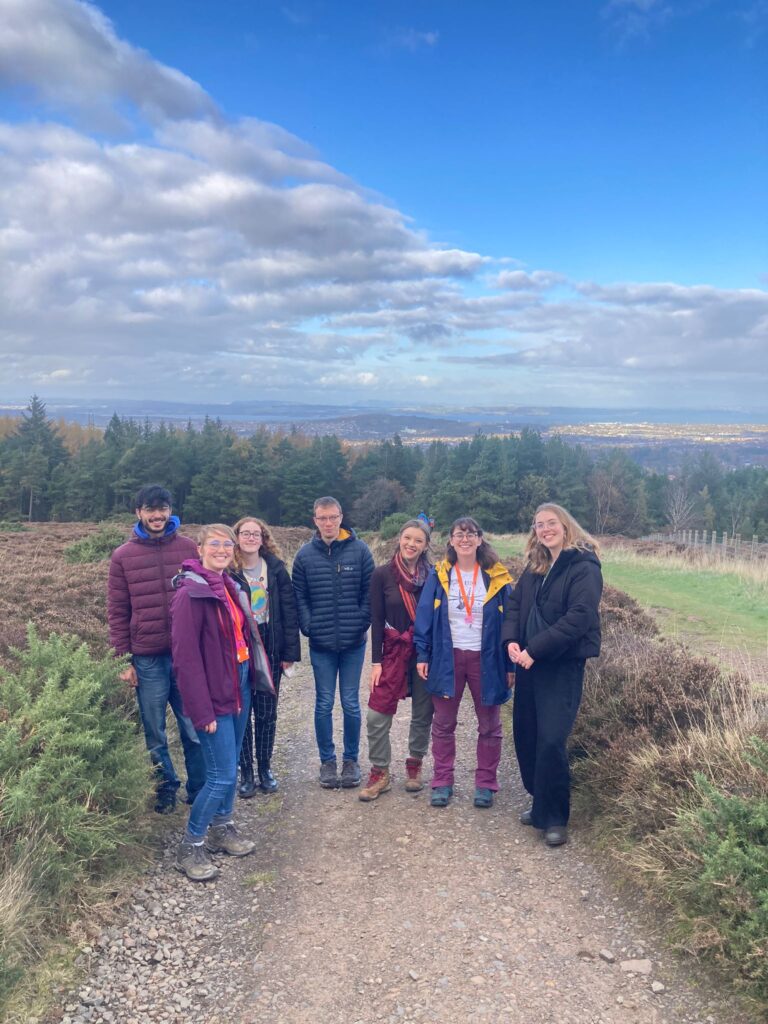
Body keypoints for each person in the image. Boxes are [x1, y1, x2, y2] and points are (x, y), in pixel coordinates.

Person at [170, 524, 275, 882]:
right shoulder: (190, 595)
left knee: (229, 768)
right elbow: (185, 660)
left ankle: (222, 827)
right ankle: (191, 844)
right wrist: (201, 710)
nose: (222, 549)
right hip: (213, 696)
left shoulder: (228, 587)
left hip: (238, 685)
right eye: (214, 544)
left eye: (227, 544)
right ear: (199, 548)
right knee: (221, 774)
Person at [502, 503, 602, 847]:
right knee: (527, 736)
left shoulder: (584, 566)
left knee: (550, 739)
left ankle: (556, 817)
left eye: (551, 523)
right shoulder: (536, 565)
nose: (545, 530)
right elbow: (515, 606)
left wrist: (535, 649)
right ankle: (539, 803)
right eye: (539, 525)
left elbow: (579, 618)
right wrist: (512, 641)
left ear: (565, 525)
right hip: (528, 662)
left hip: (560, 665)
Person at [108, 484, 205, 814]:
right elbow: (117, 610)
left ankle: (200, 787)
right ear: (138, 513)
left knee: (193, 727)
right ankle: (166, 787)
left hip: (187, 656)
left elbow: (205, 599)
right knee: (155, 730)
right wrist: (122, 658)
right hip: (146, 657)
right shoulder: (123, 556)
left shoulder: (190, 548)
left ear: (170, 511)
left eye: (162, 508)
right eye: (150, 509)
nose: (157, 515)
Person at [414, 516, 514, 809]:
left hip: (488, 659)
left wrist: (510, 665)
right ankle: (442, 782)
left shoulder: (497, 576)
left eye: (471, 534)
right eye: (460, 534)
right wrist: (423, 654)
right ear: (451, 540)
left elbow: (511, 622)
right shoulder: (440, 574)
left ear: (480, 539)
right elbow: (424, 618)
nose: (465, 539)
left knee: (490, 726)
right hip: (448, 656)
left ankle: (486, 784)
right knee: (443, 723)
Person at [292, 496, 375, 789]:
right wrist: (309, 625)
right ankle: (327, 761)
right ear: (315, 520)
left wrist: (361, 621)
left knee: (351, 703)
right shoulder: (304, 556)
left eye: (332, 517)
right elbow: (299, 595)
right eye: (322, 518)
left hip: (354, 643)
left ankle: (351, 760)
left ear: (341, 517)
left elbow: (370, 591)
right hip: (321, 644)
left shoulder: (361, 550)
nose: (328, 523)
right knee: (324, 703)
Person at [360, 519, 433, 801]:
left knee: (423, 711)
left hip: (425, 651)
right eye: (407, 538)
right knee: (377, 713)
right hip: (393, 650)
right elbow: (376, 621)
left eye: (418, 540)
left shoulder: (434, 576)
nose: (411, 544)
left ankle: (414, 764)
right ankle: (380, 771)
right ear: (399, 539)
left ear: (426, 545)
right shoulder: (382, 575)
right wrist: (376, 662)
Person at [231, 517, 300, 797]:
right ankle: (246, 772)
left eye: (255, 534)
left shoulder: (276, 569)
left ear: (263, 538)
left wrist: (289, 653)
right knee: (243, 713)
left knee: (267, 713)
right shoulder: (229, 571)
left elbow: (289, 612)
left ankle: (265, 769)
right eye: (245, 533)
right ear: (236, 537)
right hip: (240, 652)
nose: (250, 538)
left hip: (270, 647)